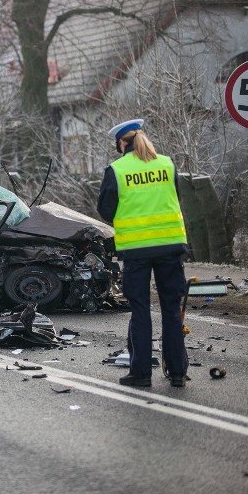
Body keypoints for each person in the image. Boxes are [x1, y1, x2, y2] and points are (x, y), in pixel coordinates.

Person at [97, 118, 189, 388]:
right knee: (171, 310)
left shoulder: (117, 170)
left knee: (140, 310)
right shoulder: (167, 164)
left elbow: (106, 210)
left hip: (136, 250)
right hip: (171, 247)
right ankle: (177, 373)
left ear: (122, 143)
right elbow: (175, 198)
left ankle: (141, 374)